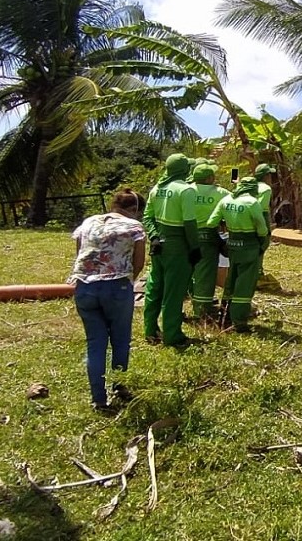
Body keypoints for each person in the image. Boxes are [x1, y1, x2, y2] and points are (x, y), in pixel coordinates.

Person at [69, 189, 146, 412]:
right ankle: (119, 386)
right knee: (120, 340)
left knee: (95, 343)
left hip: (84, 287)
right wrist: (127, 281)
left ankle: (99, 399)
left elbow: (79, 255)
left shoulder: (89, 222)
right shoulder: (134, 227)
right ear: (134, 210)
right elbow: (138, 261)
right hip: (116, 286)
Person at [143, 153, 200, 347]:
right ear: (185, 170)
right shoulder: (186, 191)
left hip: (158, 246)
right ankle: (172, 335)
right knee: (173, 293)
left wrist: (154, 236)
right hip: (178, 247)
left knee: (154, 288)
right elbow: (190, 223)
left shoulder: (157, 188)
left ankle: (150, 330)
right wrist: (195, 247)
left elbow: (147, 217)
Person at [209, 176, 269, 332]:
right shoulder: (252, 202)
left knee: (231, 279)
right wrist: (262, 241)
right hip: (249, 246)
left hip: (232, 244)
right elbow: (262, 228)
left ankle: (225, 313)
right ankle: (239, 320)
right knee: (245, 283)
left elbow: (211, 223)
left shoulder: (226, 200)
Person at [190, 161, 229, 321]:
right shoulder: (222, 193)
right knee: (206, 273)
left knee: (189, 272)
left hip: (186, 235)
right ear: (210, 178)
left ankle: (191, 303)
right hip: (208, 236)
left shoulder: (185, 191)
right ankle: (203, 311)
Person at [253, 163, 281, 292]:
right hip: (260, 216)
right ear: (266, 176)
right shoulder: (265, 188)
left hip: (248, 218)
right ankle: (258, 274)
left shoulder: (250, 185)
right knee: (262, 245)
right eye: (269, 174)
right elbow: (259, 206)